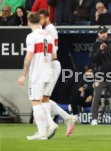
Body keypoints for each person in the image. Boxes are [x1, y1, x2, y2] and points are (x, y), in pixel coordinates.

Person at [17, 12, 57, 140]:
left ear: (29, 22)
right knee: (43, 101)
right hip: (48, 72)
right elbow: (54, 56)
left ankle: (41, 132)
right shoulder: (49, 36)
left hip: (37, 73)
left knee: (35, 102)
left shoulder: (31, 36)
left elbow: (28, 57)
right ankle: (50, 125)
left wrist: (23, 75)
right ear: (40, 21)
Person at [38, 9, 77, 137]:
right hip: (48, 65)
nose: (40, 21)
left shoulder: (50, 30)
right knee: (42, 98)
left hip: (51, 65)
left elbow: (52, 50)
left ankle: (50, 124)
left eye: (42, 18)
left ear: (47, 18)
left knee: (41, 98)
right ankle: (66, 118)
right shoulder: (45, 30)